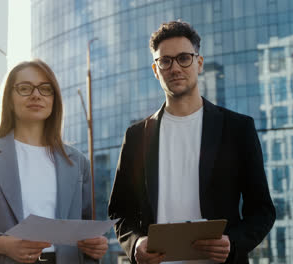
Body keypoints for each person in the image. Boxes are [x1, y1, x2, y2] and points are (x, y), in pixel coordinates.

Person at [108, 21, 276, 264]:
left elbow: (262, 210)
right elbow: (120, 211)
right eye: (165, 61)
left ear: (199, 63)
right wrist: (135, 244)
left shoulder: (237, 128)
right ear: (156, 70)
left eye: (184, 58)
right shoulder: (136, 136)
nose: (175, 68)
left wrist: (234, 242)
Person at [0, 59, 108, 264]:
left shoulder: (77, 162)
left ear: (54, 99)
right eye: (25, 88)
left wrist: (95, 246)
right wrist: (1, 243)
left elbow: (87, 228)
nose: (36, 95)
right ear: (9, 99)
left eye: (45, 89)